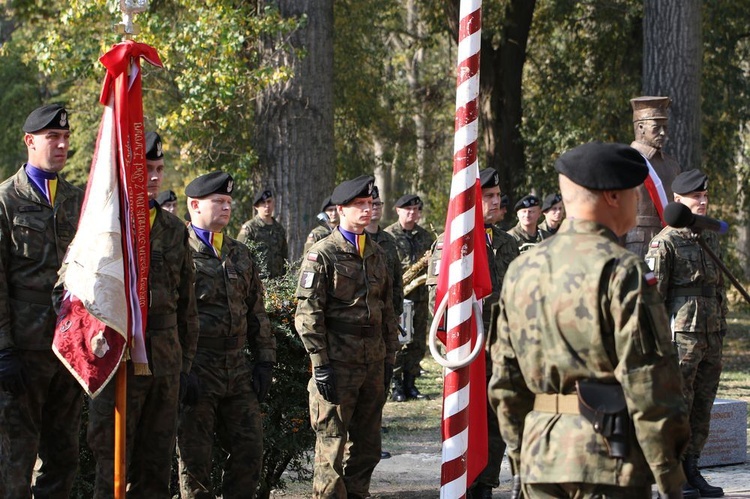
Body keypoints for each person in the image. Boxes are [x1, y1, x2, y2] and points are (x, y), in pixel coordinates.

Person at [488, 141, 690, 499]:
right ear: (613, 197)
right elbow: (650, 383)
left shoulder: (522, 269)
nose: (639, 201)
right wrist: (670, 477)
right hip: (607, 461)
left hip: (542, 457)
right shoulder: (621, 270)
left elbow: (505, 380)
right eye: (636, 192)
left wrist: (522, 456)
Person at [85, 131, 199, 498]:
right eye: (146, 168)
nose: (154, 176)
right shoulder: (106, 226)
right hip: (116, 358)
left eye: (160, 168)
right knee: (113, 461)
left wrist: (185, 366)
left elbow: (187, 306)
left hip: (164, 361)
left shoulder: (172, 229)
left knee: (157, 461)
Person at [295, 174, 399, 499]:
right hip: (338, 365)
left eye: (370, 204)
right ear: (340, 210)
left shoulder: (378, 253)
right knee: (331, 450)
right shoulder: (322, 254)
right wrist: (320, 364)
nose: (367, 211)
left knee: (368, 449)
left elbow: (388, 311)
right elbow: (308, 314)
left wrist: (389, 360)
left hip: (373, 363)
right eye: (359, 205)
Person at [0, 104, 83, 497]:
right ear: (30, 142)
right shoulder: (6, 201)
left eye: (66, 138)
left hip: (68, 348)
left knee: (63, 455)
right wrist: (3, 349)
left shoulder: (78, 201)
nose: (62, 145)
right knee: (15, 459)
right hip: (24, 349)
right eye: (53, 138)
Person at [178, 171, 276, 499]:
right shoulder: (178, 251)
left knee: (250, 452)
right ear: (194, 205)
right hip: (197, 369)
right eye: (218, 201)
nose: (226, 208)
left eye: (229, 202)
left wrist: (265, 361)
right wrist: (180, 369)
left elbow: (256, 312)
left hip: (237, 369)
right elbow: (168, 316)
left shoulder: (240, 254)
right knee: (195, 462)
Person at [426, 168, 519, 498]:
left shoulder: (508, 243)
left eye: (497, 196)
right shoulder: (452, 244)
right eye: (488, 197)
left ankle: (486, 485)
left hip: (503, 352)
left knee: (496, 426)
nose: (496, 202)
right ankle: (465, 484)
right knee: (467, 421)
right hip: (470, 352)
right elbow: (438, 308)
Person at [645, 169, 727, 498]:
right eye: (696, 196)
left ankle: (694, 468)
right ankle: (674, 473)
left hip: (711, 334)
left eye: (705, 195)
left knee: (702, 405)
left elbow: (717, 290)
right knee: (680, 404)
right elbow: (652, 298)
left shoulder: (706, 237)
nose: (703, 201)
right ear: (678, 200)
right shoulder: (664, 242)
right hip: (681, 338)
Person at [364, 185, 403, 459]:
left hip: (383, 324)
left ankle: (374, 440)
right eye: (370, 203)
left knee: (380, 386)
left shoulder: (388, 241)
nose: (374, 208)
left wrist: (396, 314)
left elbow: (396, 282)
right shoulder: (354, 236)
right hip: (357, 328)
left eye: (378, 203)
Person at [385, 194, 434, 401]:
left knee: (417, 342)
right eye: (408, 210)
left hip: (420, 296)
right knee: (399, 342)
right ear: (397, 210)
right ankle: (396, 386)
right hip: (400, 296)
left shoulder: (426, 236)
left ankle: (411, 383)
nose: (412, 213)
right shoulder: (389, 236)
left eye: (416, 210)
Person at [624, 96, 682, 258]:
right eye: (656, 128)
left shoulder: (672, 165)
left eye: (665, 127)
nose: (663, 133)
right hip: (636, 245)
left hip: (670, 244)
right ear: (641, 127)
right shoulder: (625, 161)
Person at [236, 188, 289, 278]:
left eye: (269, 202)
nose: (267, 206)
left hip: (277, 282)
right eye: (263, 203)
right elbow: (238, 254)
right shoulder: (249, 228)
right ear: (256, 206)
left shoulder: (279, 229)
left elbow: (284, 256)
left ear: (273, 203)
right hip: (257, 281)